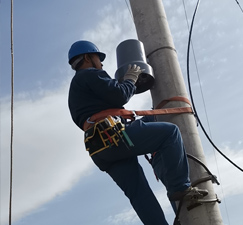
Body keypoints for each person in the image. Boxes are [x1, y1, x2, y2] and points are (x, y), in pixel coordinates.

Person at [68, 40, 208, 225]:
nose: (101, 64)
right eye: (98, 58)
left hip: (100, 148)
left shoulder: (76, 89)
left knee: (138, 193)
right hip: (114, 136)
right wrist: (130, 79)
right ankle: (179, 187)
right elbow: (119, 95)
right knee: (170, 133)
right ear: (87, 58)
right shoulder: (89, 74)